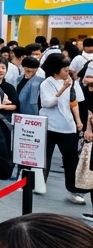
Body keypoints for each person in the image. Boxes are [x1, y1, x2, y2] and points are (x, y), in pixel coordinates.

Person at [40, 52, 86, 206]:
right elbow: (47, 103)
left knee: (71, 159)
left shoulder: (71, 81)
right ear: (55, 68)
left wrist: (78, 121)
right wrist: (62, 90)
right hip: (49, 125)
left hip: (67, 126)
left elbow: (74, 102)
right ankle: (39, 184)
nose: (68, 70)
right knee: (44, 157)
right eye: (64, 68)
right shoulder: (46, 83)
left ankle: (73, 190)